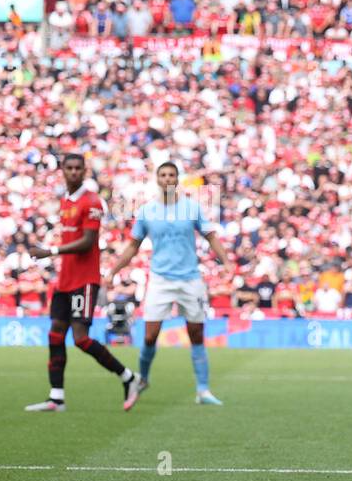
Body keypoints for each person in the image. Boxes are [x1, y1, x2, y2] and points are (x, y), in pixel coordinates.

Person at [103, 161, 232, 406]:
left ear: (177, 178)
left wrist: (225, 261)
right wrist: (114, 270)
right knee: (150, 335)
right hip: (160, 279)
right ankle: (143, 380)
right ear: (157, 179)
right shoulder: (147, 211)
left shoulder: (192, 208)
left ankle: (203, 390)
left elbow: (211, 236)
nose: (167, 178)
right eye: (163, 174)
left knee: (196, 333)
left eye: (171, 174)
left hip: (190, 278)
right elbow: (133, 246)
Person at [25, 154, 140, 413]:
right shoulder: (66, 200)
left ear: (84, 171)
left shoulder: (91, 201)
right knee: (55, 334)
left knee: (79, 339)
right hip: (64, 280)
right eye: (69, 168)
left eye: (78, 168)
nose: (74, 172)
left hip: (85, 281)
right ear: (63, 171)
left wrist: (50, 251)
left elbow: (88, 241)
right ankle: (56, 398)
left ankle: (128, 377)